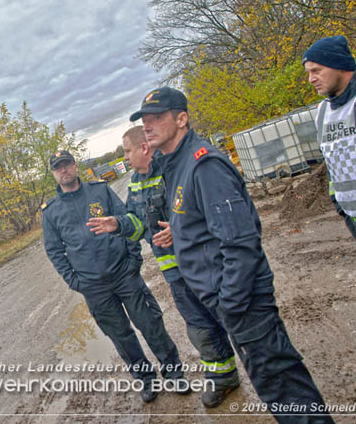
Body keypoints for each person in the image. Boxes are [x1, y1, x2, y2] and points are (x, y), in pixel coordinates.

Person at [129, 87, 333, 423]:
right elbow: (203, 227)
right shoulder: (176, 165)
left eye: (157, 117)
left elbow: (240, 242)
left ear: (182, 119)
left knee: (282, 386)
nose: (148, 126)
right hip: (226, 299)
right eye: (144, 120)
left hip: (242, 301)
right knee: (273, 386)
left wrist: (231, 303)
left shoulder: (203, 164)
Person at [86, 126, 240, 408]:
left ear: (143, 148)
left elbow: (205, 208)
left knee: (233, 320)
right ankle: (224, 378)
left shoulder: (173, 169)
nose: (126, 157)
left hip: (204, 266)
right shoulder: (134, 181)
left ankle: (268, 376)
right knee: (200, 328)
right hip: (176, 274)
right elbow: (136, 222)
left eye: (128, 151)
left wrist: (180, 229)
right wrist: (117, 224)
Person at [42, 150, 188, 403]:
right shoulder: (51, 212)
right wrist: (75, 281)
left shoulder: (100, 191)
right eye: (58, 168)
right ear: (53, 173)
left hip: (124, 273)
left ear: (75, 166)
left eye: (67, 164)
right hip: (94, 287)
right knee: (121, 336)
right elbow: (54, 251)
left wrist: (133, 258)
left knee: (150, 323)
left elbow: (126, 220)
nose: (64, 170)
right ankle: (146, 380)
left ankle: (173, 372)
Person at [302, 35, 356, 305]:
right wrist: (340, 206)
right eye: (308, 73)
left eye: (317, 70)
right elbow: (334, 165)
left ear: (339, 66)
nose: (311, 78)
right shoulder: (323, 113)